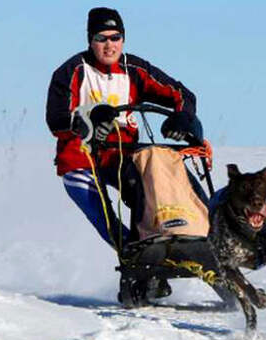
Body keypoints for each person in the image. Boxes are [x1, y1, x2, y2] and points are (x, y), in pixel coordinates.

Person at [46, 7, 202, 248]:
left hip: (122, 155)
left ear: (123, 39)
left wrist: (182, 117)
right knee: (106, 218)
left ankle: (182, 238)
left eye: (115, 38)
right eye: (101, 39)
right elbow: (56, 119)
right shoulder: (72, 71)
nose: (110, 46)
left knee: (155, 187)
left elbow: (182, 95)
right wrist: (88, 118)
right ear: (91, 40)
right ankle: (132, 256)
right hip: (81, 160)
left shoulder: (135, 70)